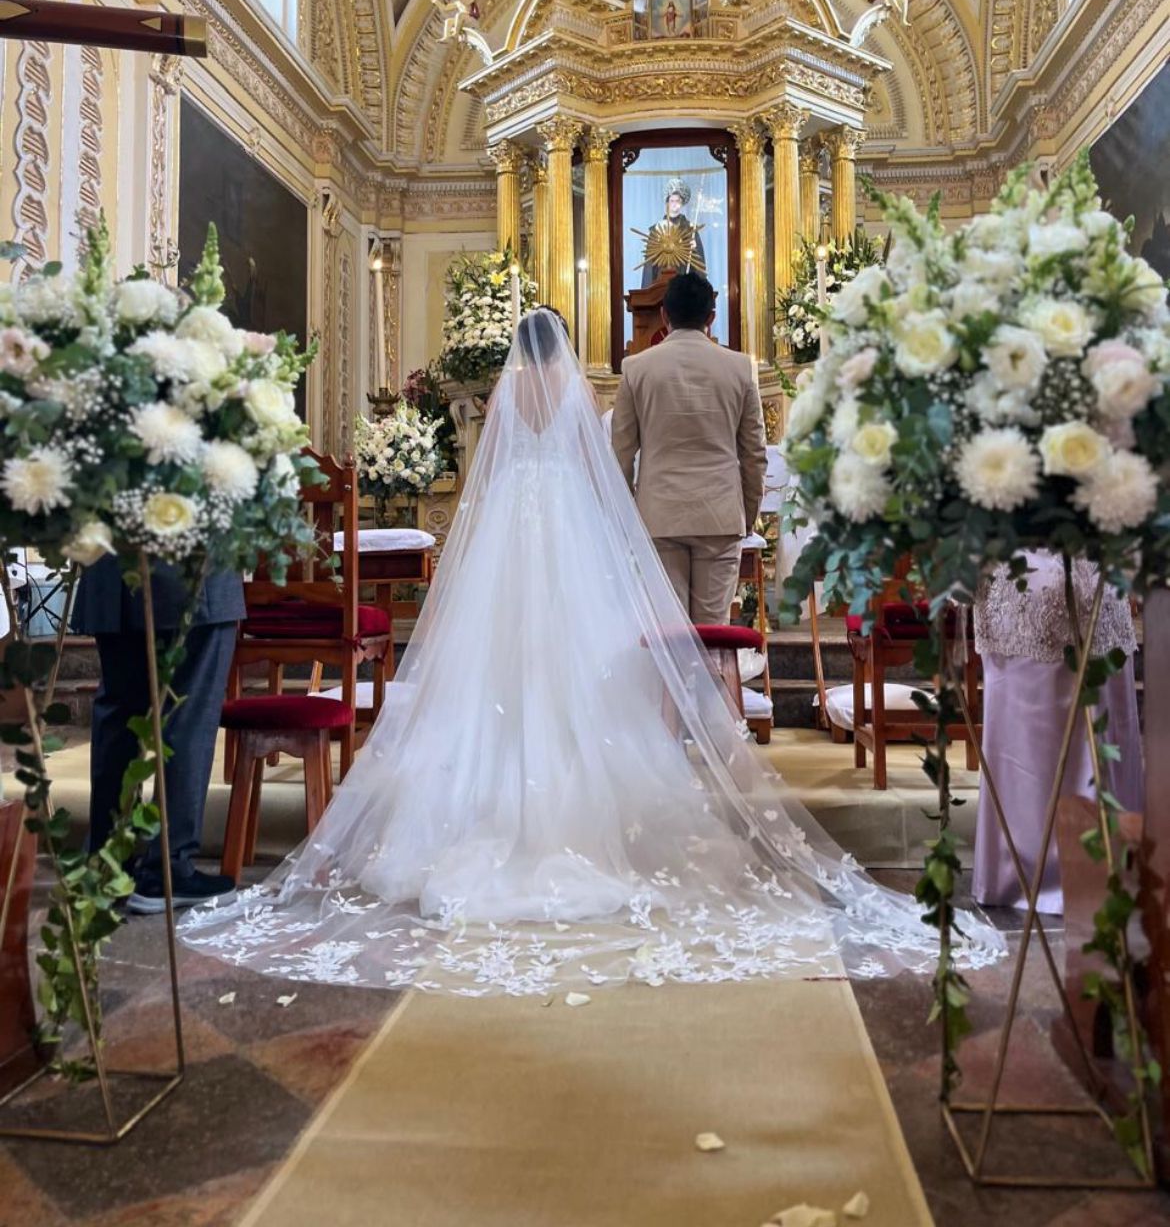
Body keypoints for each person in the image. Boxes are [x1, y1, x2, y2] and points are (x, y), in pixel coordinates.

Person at [179, 308, 1003, 994]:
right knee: (575, 661)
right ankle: (599, 806)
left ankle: (478, 811)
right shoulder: (577, 391)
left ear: (512, 352)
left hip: (508, 530)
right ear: (565, 351)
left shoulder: (503, 394)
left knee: (498, 662)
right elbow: (600, 470)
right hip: (569, 526)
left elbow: (483, 478)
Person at [972, 555, 1143, 913]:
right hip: (1016, 578)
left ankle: (1095, 859)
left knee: (1095, 717)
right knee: (1027, 731)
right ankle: (1028, 867)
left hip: (1086, 567)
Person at [73, 558, 244, 913]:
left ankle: (106, 862)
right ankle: (168, 869)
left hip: (110, 569)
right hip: (189, 567)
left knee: (119, 714)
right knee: (188, 717)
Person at [610, 271, 767, 625]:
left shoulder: (636, 368)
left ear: (664, 314)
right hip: (720, 514)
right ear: (711, 318)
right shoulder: (740, 368)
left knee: (672, 638)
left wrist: (630, 515)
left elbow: (620, 453)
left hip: (659, 514)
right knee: (714, 634)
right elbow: (754, 453)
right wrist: (746, 512)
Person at [640, 179, 706, 287]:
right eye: (672, 201)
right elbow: (650, 262)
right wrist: (647, 288)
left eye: (678, 201)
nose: (675, 204)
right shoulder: (657, 229)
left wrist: (694, 248)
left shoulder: (690, 229)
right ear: (667, 203)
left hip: (683, 281)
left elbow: (698, 262)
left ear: (682, 203)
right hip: (660, 284)